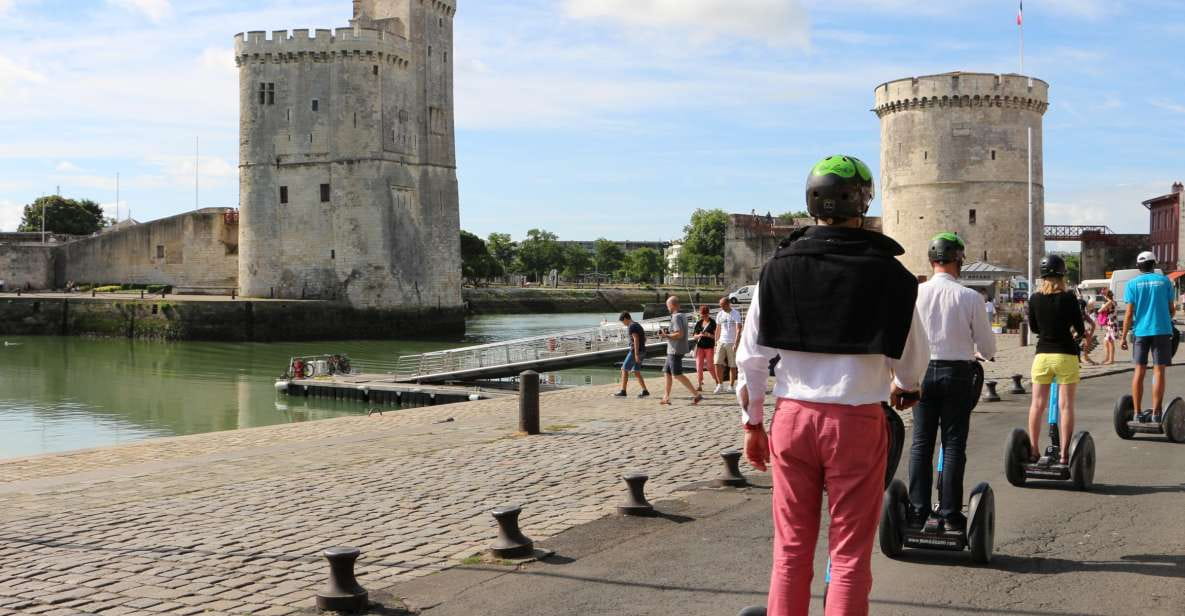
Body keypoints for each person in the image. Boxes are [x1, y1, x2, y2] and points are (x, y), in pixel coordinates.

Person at [736, 155, 928, 616]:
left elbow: (751, 358)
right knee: (848, 554)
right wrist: (906, 385)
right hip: (857, 420)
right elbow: (911, 358)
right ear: (864, 202)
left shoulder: (778, 268)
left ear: (811, 202)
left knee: (790, 548)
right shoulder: (893, 275)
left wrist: (753, 423)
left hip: (793, 417)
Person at [908, 233, 997, 536]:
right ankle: (949, 514)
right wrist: (984, 353)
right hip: (956, 372)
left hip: (922, 372)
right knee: (954, 443)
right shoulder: (970, 297)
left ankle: (917, 511)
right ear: (958, 260)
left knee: (921, 443)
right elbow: (987, 346)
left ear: (931, 261)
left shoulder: (916, 293)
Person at [1026, 255, 1085, 464]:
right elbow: (1080, 328)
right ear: (1062, 274)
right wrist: (1075, 334)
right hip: (1065, 355)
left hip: (1042, 356)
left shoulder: (1034, 298)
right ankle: (1064, 455)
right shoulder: (1069, 298)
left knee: (1037, 404)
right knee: (1065, 406)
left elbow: (1034, 328)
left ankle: (1033, 450)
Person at [1120, 251, 1177, 421]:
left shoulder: (1132, 284)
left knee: (1139, 370)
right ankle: (1156, 414)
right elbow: (1172, 309)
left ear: (1138, 266)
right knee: (1159, 371)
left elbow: (1129, 313)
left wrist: (1123, 337)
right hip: (1161, 330)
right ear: (1154, 264)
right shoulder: (1165, 281)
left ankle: (1137, 413)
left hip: (1141, 332)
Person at [658, 296, 703, 406]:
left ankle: (696, 394)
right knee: (667, 372)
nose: (667, 308)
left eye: (668, 306)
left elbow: (679, 334)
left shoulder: (676, 317)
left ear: (672, 305)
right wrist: (668, 333)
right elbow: (679, 332)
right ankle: (666, 397)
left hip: (675, 350)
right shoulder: (682, 316)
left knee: (677, 374)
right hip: (674, 349)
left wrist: (665, 335)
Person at [614, 312, 650, 398]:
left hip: (635, 351)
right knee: (636, 371)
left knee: (624, 369)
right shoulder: (637, 325)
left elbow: (636, 339)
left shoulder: (631, 326)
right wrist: (641, 349)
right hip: (643, 350)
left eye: (623, 321)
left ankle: (623, 391)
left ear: (626, 319)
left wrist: (636, 354)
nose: (623, 324)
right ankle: (645, 391)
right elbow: (644, 338)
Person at [714, 297, 743, 393]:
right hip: (721, 341)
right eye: (720, 305)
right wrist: (715, 343)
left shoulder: (736, 313)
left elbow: (738, 329)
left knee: (732, 365)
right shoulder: (720, 314)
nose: (721, 307)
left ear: (727, 304)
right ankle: (720, 384)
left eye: (722, 305)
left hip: (731, 342)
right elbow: (718, 329)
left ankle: (731, 386)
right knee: (717, 363)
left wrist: (736, 343)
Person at [692, 305, 722, 392]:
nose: (703, 317)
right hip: (700, 347)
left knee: (710, 366)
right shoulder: (699, 323)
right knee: (699, 366)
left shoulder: (713, 323)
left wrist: (709, 335)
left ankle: (717, 381)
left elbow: (717, 336)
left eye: (705, 315)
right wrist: (699, 335)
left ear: (708, 314)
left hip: (709, 347)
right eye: (702, 315)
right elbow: (694, 336)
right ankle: (699, 384)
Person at [1098, 289, 1117, 365]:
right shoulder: (1113, 302)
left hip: (1111, 323)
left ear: (1106, 295)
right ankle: (1107, 358)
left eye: (1104, 295)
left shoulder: (1109, 302)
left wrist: (1103, 307)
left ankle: (1111, 360)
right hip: (1111, 322)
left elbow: (1099, 310)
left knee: (1110, 341)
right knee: (1105, 341)